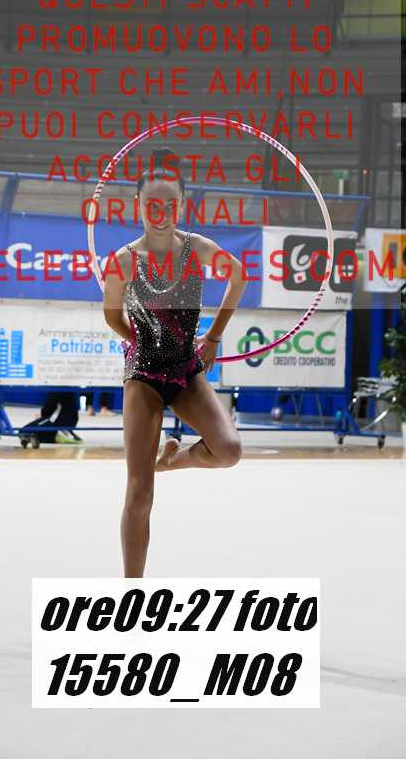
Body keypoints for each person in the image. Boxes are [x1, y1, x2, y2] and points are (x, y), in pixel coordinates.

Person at [103, 148, 247, 577]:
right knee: (140, 491)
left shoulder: (197, 249)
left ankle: (173, 459)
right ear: (138, 205)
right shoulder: (124, 261)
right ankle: (131, 592)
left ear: (181, 205)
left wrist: (214, 337)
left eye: (169, 203)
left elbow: (238, 275)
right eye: (152, 203)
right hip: (144, 375)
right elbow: (111, 315)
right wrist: (139, 340)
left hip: (186, 369)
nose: (160, 212)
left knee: (229, 450)